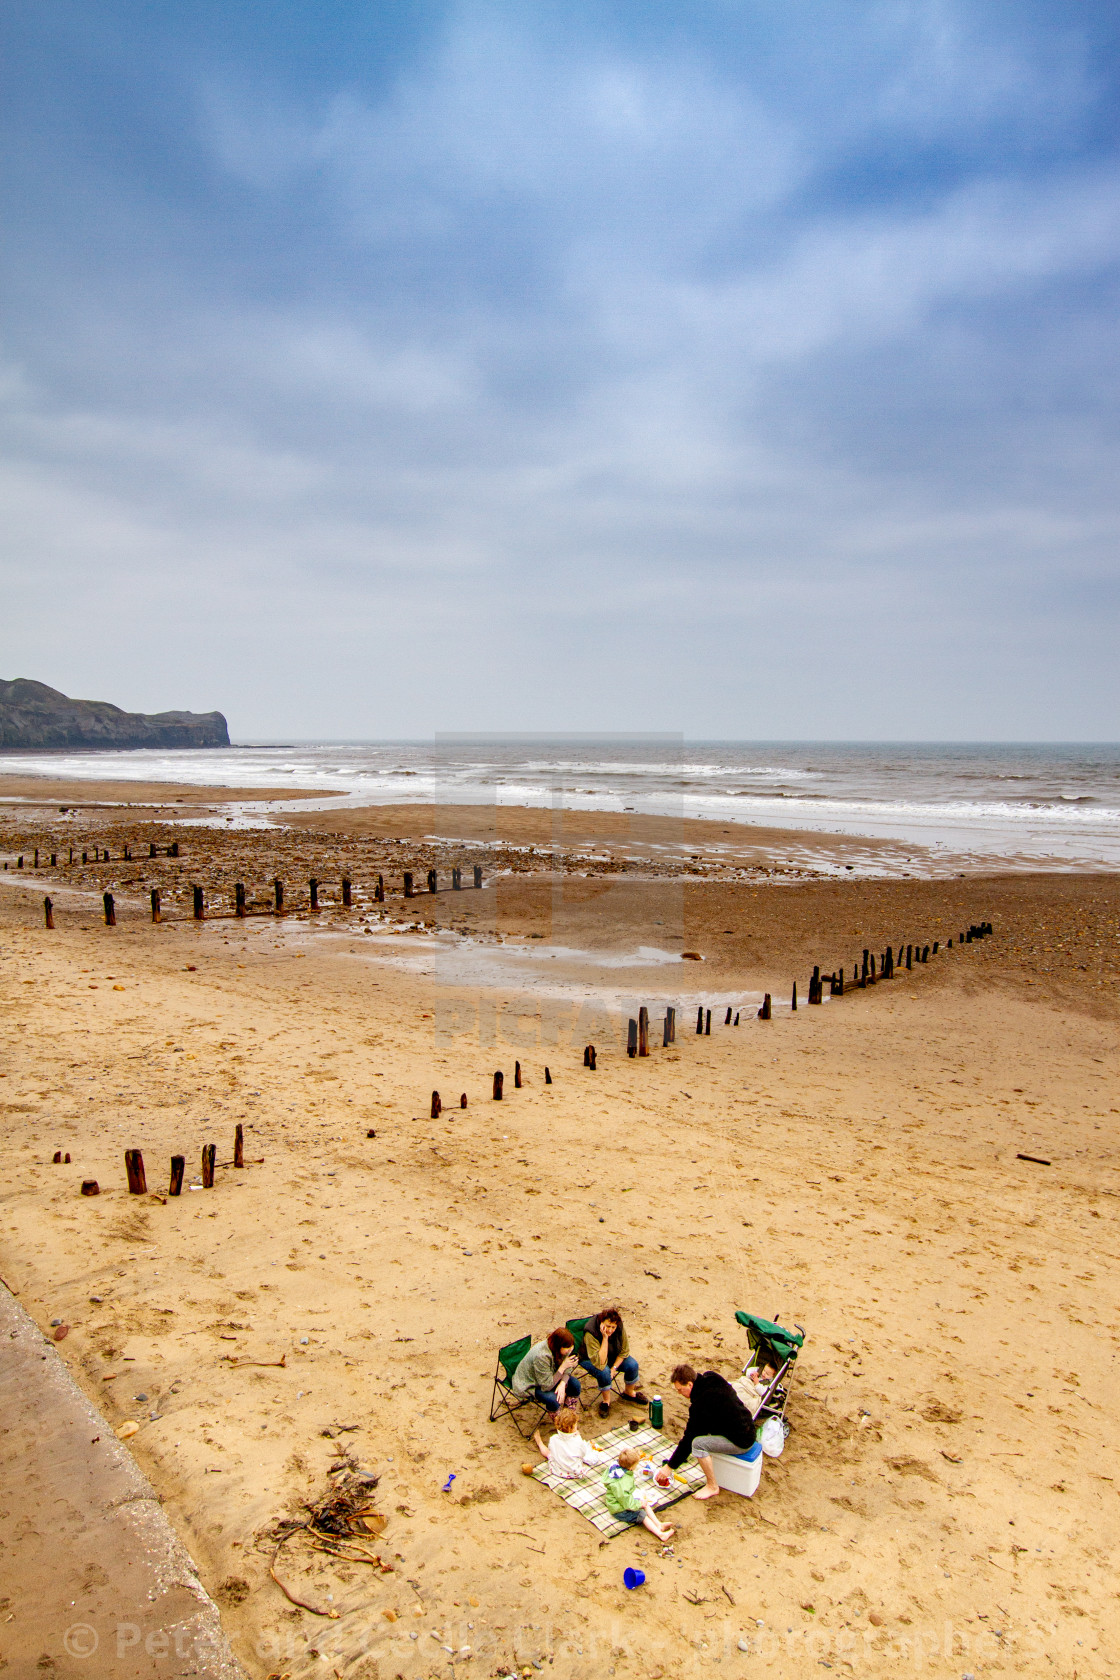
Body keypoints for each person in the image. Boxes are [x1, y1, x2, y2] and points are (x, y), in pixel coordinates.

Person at [666, 1363, 757, 1500]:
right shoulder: (711, 1376)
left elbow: (689, 1439)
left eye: (680, 1390)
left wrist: (669, 1467)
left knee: (697, 1444)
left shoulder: (701, 1404)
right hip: (747, 1426)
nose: (679, 1393)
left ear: (690, 1385)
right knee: (703, 1431)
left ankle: (712, 1486)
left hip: (741, 1441)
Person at [579, 1308, 649, 1418]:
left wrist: (614, 1368)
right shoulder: (591, 1331)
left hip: (612, 1354)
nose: (611, 1330)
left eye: (613, 1327)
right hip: (590, 1358)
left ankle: (629, 1393)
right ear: (602, 1323)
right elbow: (600, 1362)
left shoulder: (619, 1326)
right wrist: (605, 1338)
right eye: (608, 1326)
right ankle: (606, 1401)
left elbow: (624, 1351)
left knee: (632, 1365)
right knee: (604, 1372)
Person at [601, 1446, 676, 1540]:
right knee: (641, 1514)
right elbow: (626, 1501)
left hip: (623, 1501)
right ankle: (661, 1534)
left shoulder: (618, 1467)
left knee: (644, 1503)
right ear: (631, 1467)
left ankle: (659, 1524)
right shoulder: (621, 1482)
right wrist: (637, 1504)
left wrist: (640, 1502)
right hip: (619, 1509)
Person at [511, 1327, 582, 1413]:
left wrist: (563, 1383)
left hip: (550, 1375)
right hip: (531, 1383)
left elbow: (569, 1367)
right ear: (559, 1346)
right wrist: (563, 1367)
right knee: (553, 1400)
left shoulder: (563, 1348)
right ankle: (560, 1422)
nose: (570, 1350)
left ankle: (568, 1414)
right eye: (568, 1349)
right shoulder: (541, 1356)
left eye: (571, 1348)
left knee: (575, 1385)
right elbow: (546, 1386)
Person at [534, 1405, 610, 1478]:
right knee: (590, 1455)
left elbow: (552, 1450)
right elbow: (583, 1454)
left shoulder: (553, 1438)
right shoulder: (577, 1441)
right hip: (574, 1472)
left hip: (556, 1470)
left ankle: (540, 1443)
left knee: (549, 1454)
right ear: (572, 1428)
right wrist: (578, 1436)